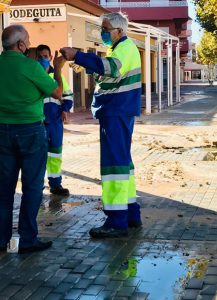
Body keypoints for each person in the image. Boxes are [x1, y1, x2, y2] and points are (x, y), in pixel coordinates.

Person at [60, 12, 142, 238]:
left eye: (106, 29)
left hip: (116, 111)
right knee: (123, 163)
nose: (103, 33)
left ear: (119, 31)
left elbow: (110, 68)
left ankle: (116, 221)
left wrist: (78, 55)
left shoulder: (124, 49)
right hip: (118, 111)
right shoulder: (120, 49)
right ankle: (131, 213)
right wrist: (87, 66)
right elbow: (110, 76)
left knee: (114, 166)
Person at [0, 25, 65, 254]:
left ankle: (1, 239)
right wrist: (57, 68)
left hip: (2, 132)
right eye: (27, 40)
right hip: (30, 131)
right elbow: (57, 92)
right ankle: (27, 239)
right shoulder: (30, 66)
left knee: (4, 189)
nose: (29, 44)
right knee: (32, 186)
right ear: (20, 45)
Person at [36, 44, 73, 196]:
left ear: (51, 57)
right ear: (35, 58)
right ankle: (37, 187)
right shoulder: (34, 75)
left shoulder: (57, 75)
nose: (43, 59)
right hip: (39, 123)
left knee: (55, 155)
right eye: (40, 57)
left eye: (46, 56)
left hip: (56, 122)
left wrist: (65, 109)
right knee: (39, 156)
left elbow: (68, 95)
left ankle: (56, 185)